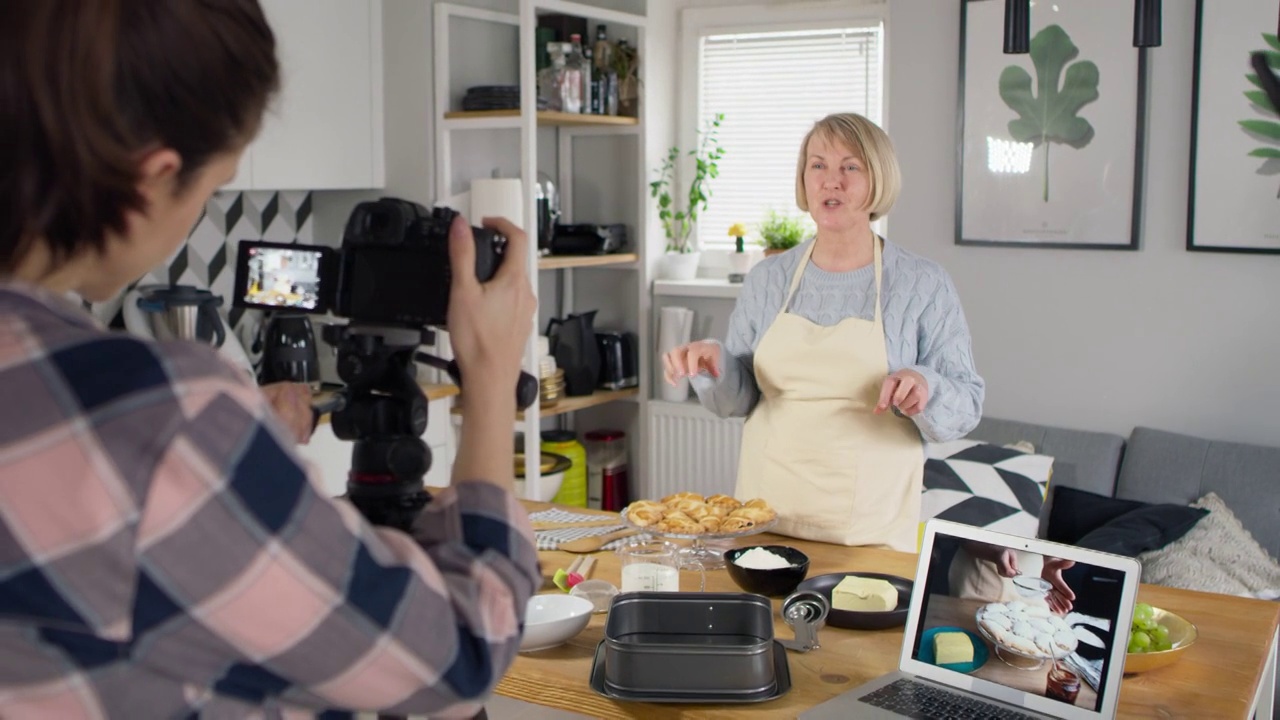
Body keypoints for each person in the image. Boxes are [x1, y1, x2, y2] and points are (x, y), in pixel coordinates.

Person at [0, 2, 539, 718]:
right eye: (211, 187)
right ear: (152, 178)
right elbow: (462, 650)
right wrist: (493, 374)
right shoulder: (167, 421)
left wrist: (234, 448)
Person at [662, 112, 984, 551]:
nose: (832, 181)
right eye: (818, 166)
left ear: (879, 180)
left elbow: (966, 403)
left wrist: (925, 387)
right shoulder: (768, 278)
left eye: (850, 167)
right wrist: (715, 365)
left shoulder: (922, 283)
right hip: (764, 518)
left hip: (871, 531)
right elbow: (737, 400)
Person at [949, 542, 1077, 615]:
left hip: (1034, 588)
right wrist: (996, 551)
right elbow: (960, 528)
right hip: (982, 583)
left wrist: (1048, 560)